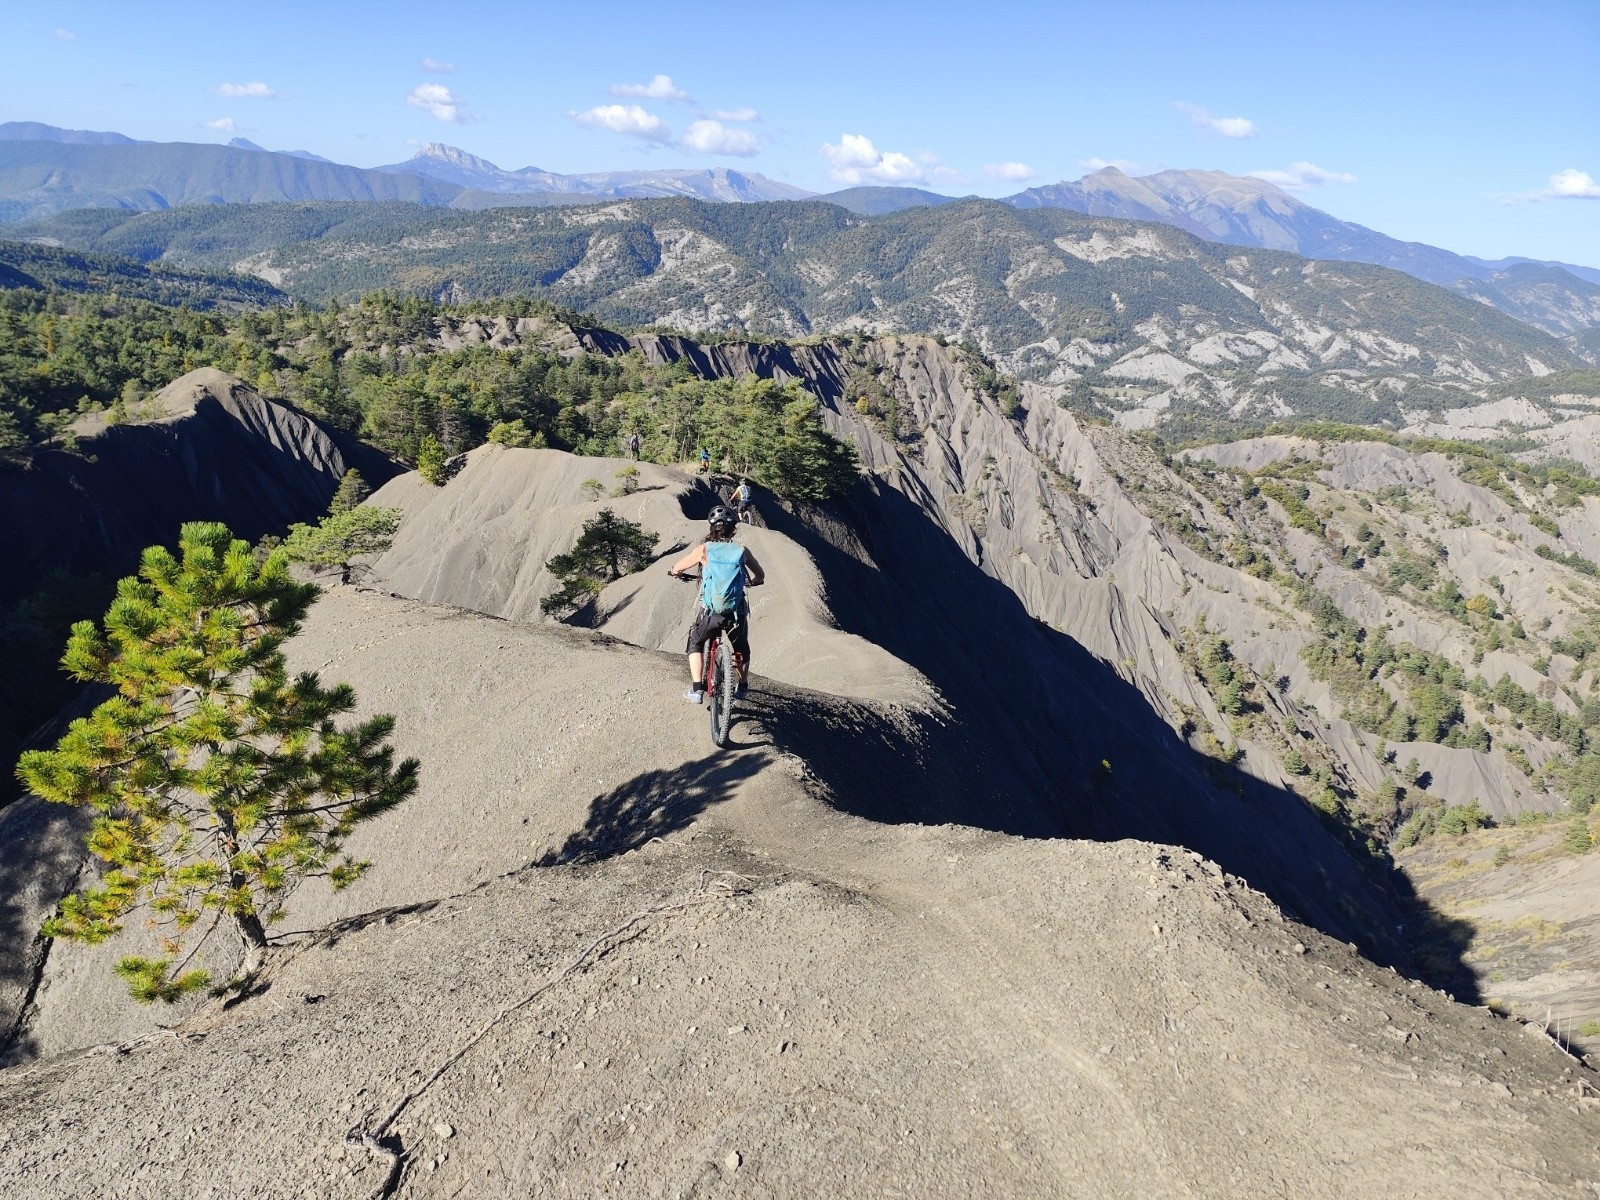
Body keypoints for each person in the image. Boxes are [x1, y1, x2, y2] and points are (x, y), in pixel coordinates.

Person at [667, 506, 765, 704]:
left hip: (710, 612)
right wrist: (753, 582)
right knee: (741, 649)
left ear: (712, 528)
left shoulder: (704, 549)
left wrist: (676, 572)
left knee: (695, 643)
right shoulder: (741, 551)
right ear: (732, 529)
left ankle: (696, 690)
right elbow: (760, 575)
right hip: (735, 613)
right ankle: (742, 686)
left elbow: (678, 567)